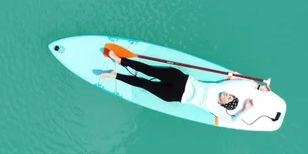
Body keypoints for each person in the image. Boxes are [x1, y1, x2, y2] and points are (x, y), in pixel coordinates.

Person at [99, 50, 271, 123]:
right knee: (149, 70)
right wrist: (259, 88)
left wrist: (245, 110)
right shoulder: (221, 87)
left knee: (144, 84)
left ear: (224, 105)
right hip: (181, 79)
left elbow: (233, 121)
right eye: (231, 96)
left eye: (229, 99)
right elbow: (242, 84)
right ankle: (120, 60)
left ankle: (115, 75)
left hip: (175, 96)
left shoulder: (213, 107)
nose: (229, 96)